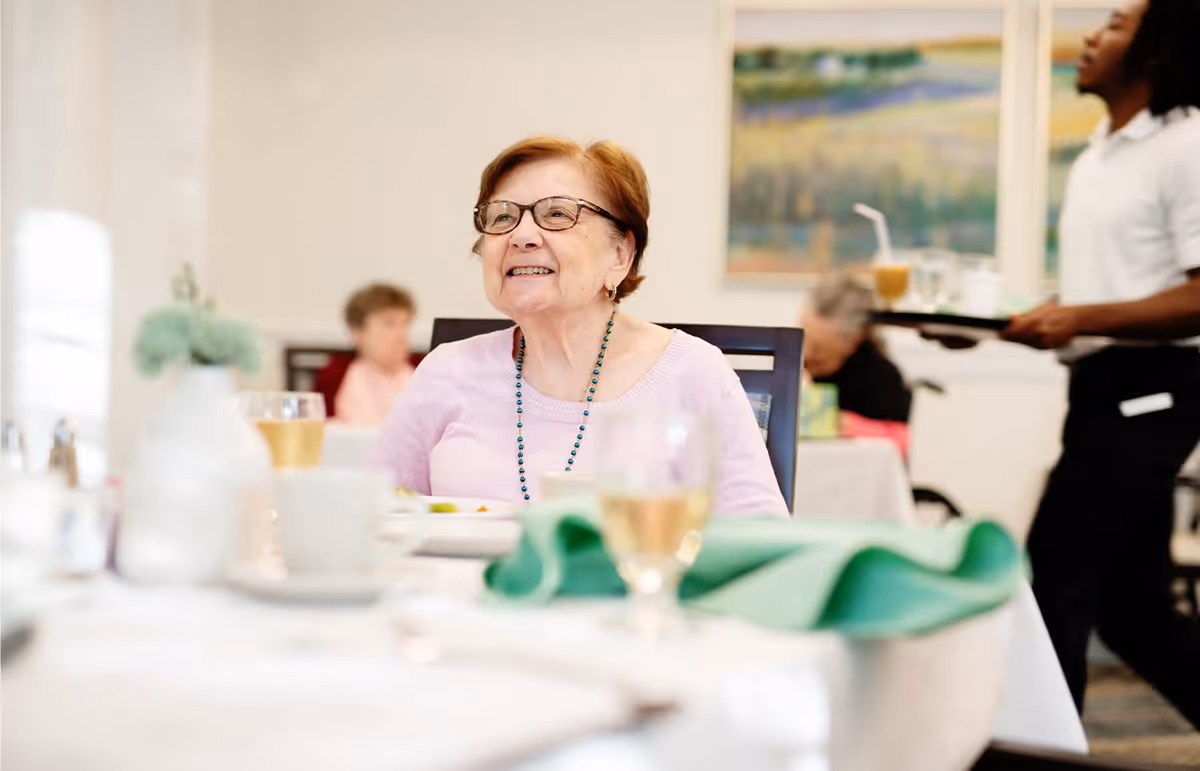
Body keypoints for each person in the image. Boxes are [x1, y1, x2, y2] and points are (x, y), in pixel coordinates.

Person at [942, 0, 1200, 726]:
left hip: (1156, 389)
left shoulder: (1187, 142)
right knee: (1132, 609)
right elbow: (1105, 296)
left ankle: (1044, 755)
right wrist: (994, 327)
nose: (1091, 34)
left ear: (1155, 50)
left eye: (1114, 24)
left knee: (1054, 575)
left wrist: (1077, 318)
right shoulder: (1100, 153)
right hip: (1099, 386)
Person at [372, 137, 787, 516]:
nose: (521, 235)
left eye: (557, 214)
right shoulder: (446, 370)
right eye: (502, 218)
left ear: (620, 255)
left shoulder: (692, 372)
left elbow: (762, 541)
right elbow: (375, 514)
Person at [801, 273, 912, 453]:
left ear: (853, 340)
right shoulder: (794, 369)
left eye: (819, 348)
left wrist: (847, 425)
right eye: (803, 340)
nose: (807, 353)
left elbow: (902, 440)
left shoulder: (880, 377)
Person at [334, 283, 417, 427]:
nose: (402, 334)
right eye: (389, 324)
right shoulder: (336, 377)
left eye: (405, 324)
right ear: (357, 332)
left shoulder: (421, 372)